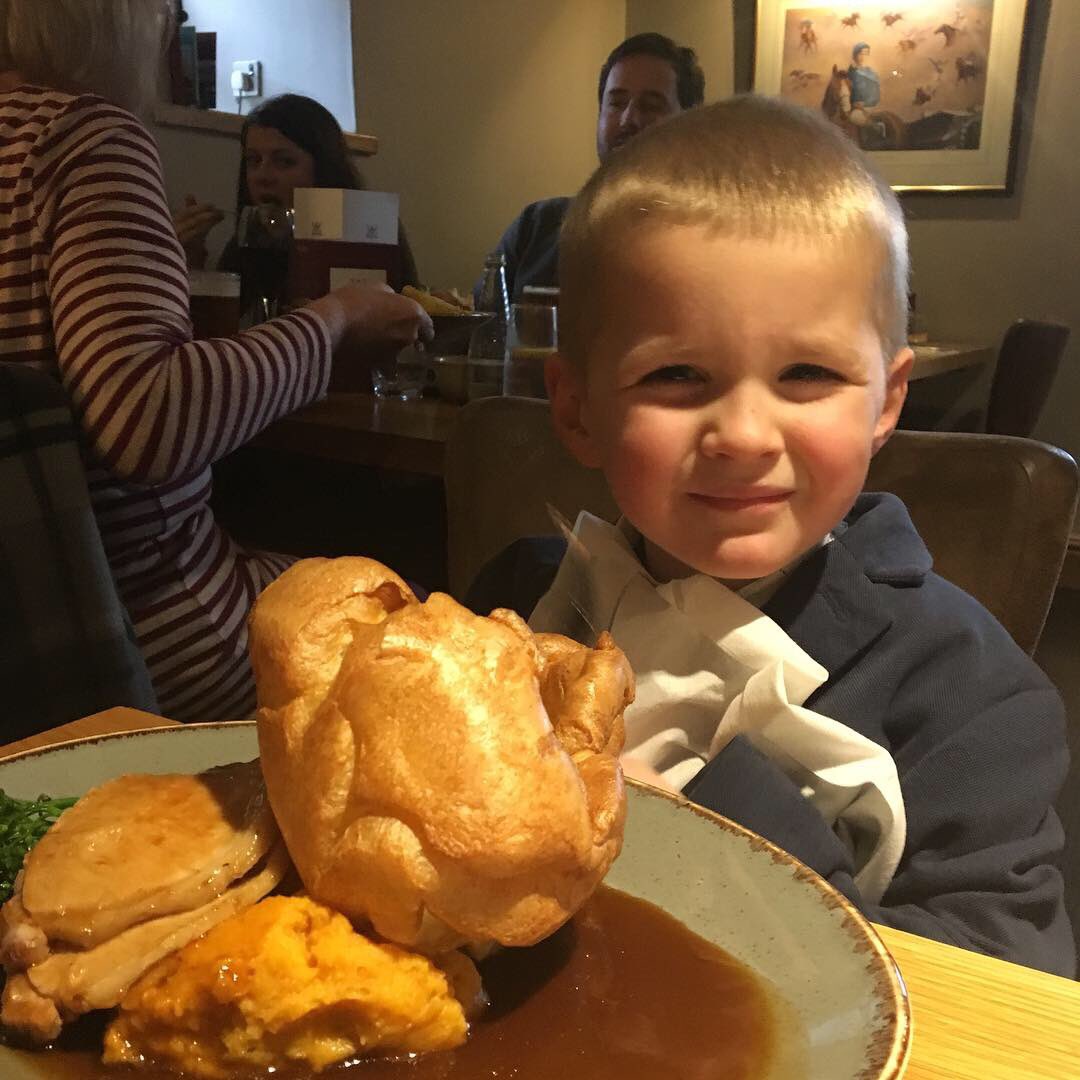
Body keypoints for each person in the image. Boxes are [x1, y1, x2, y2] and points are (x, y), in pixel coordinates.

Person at [466, 96, 1074, 977]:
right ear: (576, 408)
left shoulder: (974, 692)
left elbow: (1006, 985)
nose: (745, 434)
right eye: (677, 375)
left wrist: (709, 826)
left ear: (887, 402)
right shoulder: (515, 604)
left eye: (808, 374)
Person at [0, 0, 432, 722]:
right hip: (134, 642)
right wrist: (335, 323)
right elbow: (146, 418)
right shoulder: (81, 137)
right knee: (421, 608)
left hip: (23, 635)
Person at [475, 32, 704, 304]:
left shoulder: (705, 241)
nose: (629, 119)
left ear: (689, 125)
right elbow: (477, 334)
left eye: (650, 105)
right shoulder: (536, 228)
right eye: (617, 103)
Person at [175, 92, 420, 304]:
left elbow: (412, 318)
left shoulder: (373, 231)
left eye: (284, 162)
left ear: (323, 167)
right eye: (253, 160)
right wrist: (190, 262)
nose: (262, 176)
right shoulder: (252, 239)